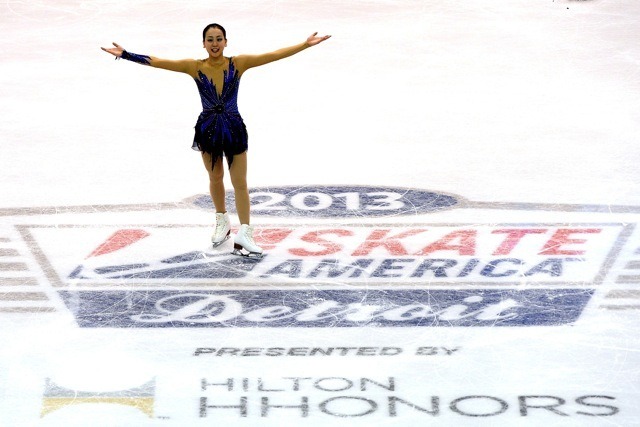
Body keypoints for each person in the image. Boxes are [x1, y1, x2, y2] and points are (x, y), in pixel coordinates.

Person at [101, 23, 330, 257]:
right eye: (210, 39)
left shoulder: (238, 64)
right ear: (203, 44)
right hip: (209, 129)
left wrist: (304, 45)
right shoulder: (194, 67)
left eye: (219, 39)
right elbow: (160, 62)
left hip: (233, 128)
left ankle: (245, 233)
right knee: (215, 176)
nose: (214, 44)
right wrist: (127, 55)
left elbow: (271, 56)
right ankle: (222, 222)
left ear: (226, 42)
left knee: (240, 182)